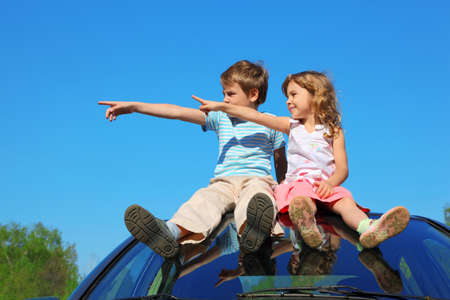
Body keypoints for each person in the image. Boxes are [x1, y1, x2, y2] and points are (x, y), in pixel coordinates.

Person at [193, 70, 410, 250]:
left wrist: (331, 184)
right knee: (300, 201)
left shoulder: (334, 132)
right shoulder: (291, 127)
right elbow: (255, 116)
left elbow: (343, 169)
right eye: (287, 96)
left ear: (315, 95)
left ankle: (368, 228)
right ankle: (307, 226)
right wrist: (221, 107)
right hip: (298, 186)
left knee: (346, 202)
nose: (288, 101)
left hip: (325, 187)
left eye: (294, 95)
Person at [98, 60, 287, 258]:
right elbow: (176, 112)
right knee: (204, 201)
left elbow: (280, 160)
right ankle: (170, 232)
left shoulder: (271, 123)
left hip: (256, 179)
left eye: (230, 94)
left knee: (257, 197)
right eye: (223, 93)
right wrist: (135, 107)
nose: (225, 99)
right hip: (223, 182)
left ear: (253, 94)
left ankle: (252, 231)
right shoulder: (221, 118)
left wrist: (284, 192)